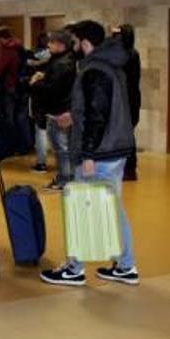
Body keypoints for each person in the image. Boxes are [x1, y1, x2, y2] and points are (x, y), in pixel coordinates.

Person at [40, 20, 140, 287]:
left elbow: (97, 116)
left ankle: (74, 269)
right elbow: (104, 108)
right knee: (114, 209)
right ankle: (125, 265)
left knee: (82, 209)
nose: (73, 46)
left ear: (84, 42)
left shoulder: (94, 69)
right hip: (114, 148)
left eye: (75, 41)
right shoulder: (112, 65)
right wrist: (74, 116)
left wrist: (88, 155)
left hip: (100, 153)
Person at [29, 30, 76, 192]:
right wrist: (45, 76)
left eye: (52, 43)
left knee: (61, 148)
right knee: (62, 147)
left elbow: (53, 89)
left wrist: (35, 83)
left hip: (59, 111)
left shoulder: (62, 64)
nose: (48, 45)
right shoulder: (62, 61)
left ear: (60, 45)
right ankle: (66, 177)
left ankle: (64, 180)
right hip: (60, 109)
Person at [114, 24, 141, 181]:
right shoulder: (131, 53)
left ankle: (129, 167)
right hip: (129, 98)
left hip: (126, 99)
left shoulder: (126, 55)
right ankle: (127, 167)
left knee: (126, 134)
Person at [0, 26, 23, 156]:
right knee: (17, 118)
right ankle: (20, 144)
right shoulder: (18, 48)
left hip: (8, 88)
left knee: (8, 119)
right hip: (17, 87)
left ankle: (10, 146)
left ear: (3, 38)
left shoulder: (7, 51)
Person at [29, 33, 52, 173]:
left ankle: (41, 163)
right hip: (53, 98)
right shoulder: (58, 59)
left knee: (40, 130)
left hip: (39, 97)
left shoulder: (34, 56)